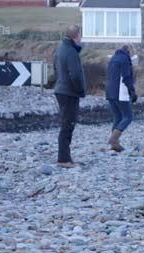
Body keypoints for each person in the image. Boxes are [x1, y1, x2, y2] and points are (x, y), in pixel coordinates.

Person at [53, 25, 86, 168]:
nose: (81, 39)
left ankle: (66, 157)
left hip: (61, 89)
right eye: (80, 36)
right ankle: (64, 159)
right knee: (68, 124)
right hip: (69, 92)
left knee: (66, 123)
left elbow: (55, 68)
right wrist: (80, 90)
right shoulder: (71, 51)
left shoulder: (60, 49)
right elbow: (76, 74)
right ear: (76, 36)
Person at [105, 45, 137, 153]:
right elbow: (126, 77)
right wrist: (132, 91)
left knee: (118, 116)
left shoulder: (114, 58)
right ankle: (113, 139)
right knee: (128, 117)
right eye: (132, 53)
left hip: (109, 90)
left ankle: (115, 144)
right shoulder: (124, 60)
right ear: (129, 51)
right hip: (119, 92)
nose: (132, 56)